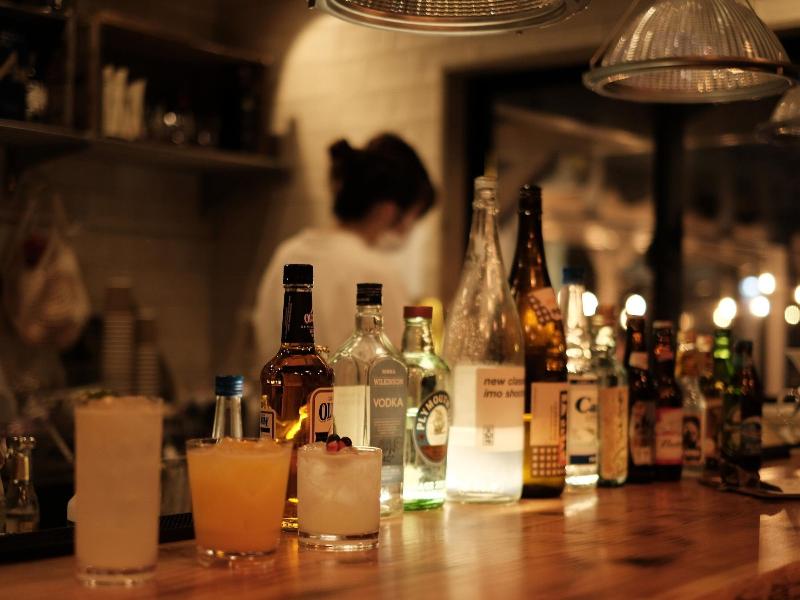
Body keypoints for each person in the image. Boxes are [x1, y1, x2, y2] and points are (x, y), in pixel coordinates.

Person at [253, 133, 435, 359]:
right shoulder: (376, 273)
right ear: (388, 210)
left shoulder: (287, 254)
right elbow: (398, 366)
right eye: (414, 216)